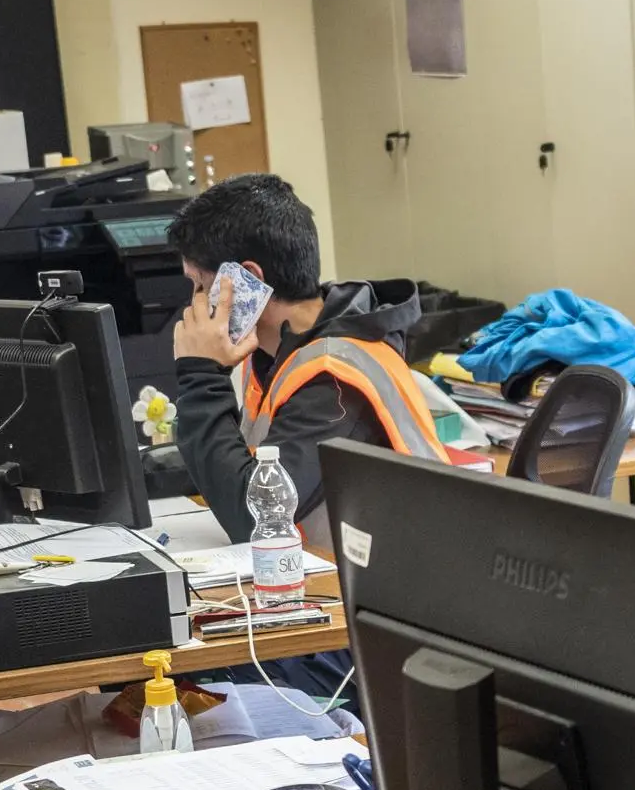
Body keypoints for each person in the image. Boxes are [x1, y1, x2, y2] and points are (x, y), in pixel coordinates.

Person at [167, 172, 451, 550]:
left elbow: (256, 520)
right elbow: (245, 462)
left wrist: (202, 376)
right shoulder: (282, 353)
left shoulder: (333, 379)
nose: (196, 303)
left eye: (200, 285)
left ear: (248, 280)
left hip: (395, 594)